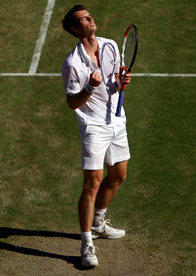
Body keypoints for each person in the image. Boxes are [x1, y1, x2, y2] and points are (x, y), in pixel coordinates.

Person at [61, 5, 132, 267]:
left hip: (117, 120)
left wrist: (122, 81)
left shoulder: (111, 45)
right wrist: (90, 86)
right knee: (93, 183)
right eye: (85, 19)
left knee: (119, 175)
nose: (92, 19)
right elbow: (72, 103)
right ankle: (86, 243)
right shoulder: (72, 63)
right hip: (93, 126)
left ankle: (99, 221)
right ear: (75, 29)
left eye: (90, 16)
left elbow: (115, 80)